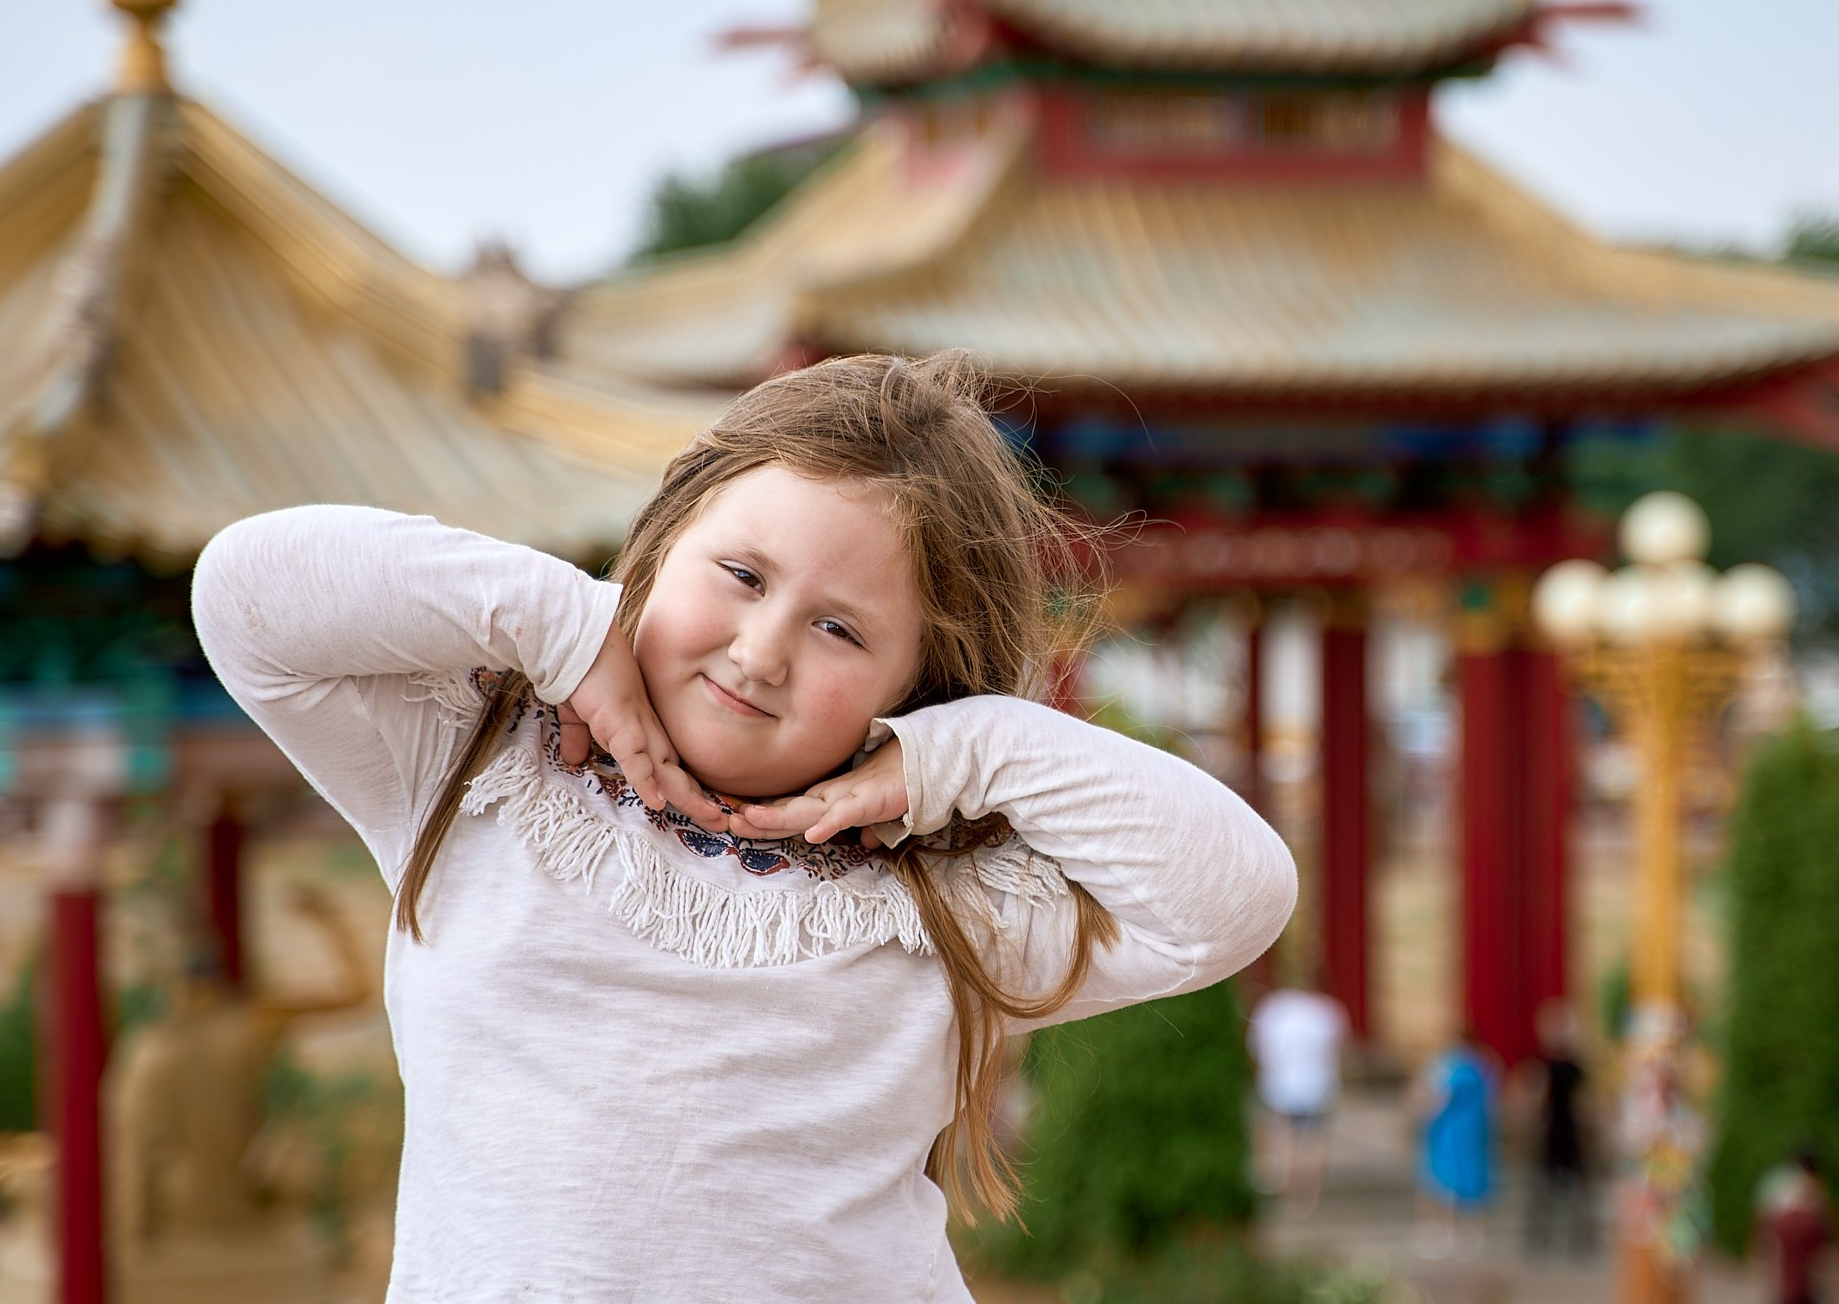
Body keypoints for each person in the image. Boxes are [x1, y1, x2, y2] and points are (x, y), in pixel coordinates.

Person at [191, 351, 1298, 1303]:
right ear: (665, 538)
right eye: (739, 574)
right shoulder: (476, 764)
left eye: (839, 630)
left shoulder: (934, 901)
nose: (762, 650)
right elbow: (245, 596)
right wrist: (572, 628)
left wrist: (967, 751)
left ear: (916, 686)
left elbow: (1236, 896)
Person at [1248, 974, 1348, 1216]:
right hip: (1319, 1085)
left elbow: (1258, 1050)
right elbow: (1339, 1049)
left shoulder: (1272, 1009)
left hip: (1281, 1086)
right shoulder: (1329, 1010)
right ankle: (1309, 1194)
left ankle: (1288, 1189)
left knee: (1285, 1139)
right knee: (1314, 1141)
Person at [1413, 1029, 1499, 1261]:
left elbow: (1435, 1099)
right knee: (1471, 1181)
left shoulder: (1457, 1070)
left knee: (1447, 1182)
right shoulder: (1483, 1068)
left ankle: (1449, 1230)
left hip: (1450, 1135)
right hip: (1473, 1134)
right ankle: (1472, 1232)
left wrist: (1420, 1108)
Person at [1519, 998, 1593, 1257]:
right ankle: (1541, 1235)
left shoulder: (1574, 1066)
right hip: (1551, 1130)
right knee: (1544, 1188)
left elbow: (1587, 1099)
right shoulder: (1543, 1063)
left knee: (1575, 1190)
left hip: (1568, 1129)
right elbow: (1531, 1094)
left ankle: (1578, 1236)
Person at [1756, 1150, 1839, 1304]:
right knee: (1806, 1273)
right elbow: (1827, 1215)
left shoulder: (1779, 1178)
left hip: (1780, 1226)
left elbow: (1765, 1213)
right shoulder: (1813, 1182)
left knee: (1786, 1273)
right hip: (1800, 1226)